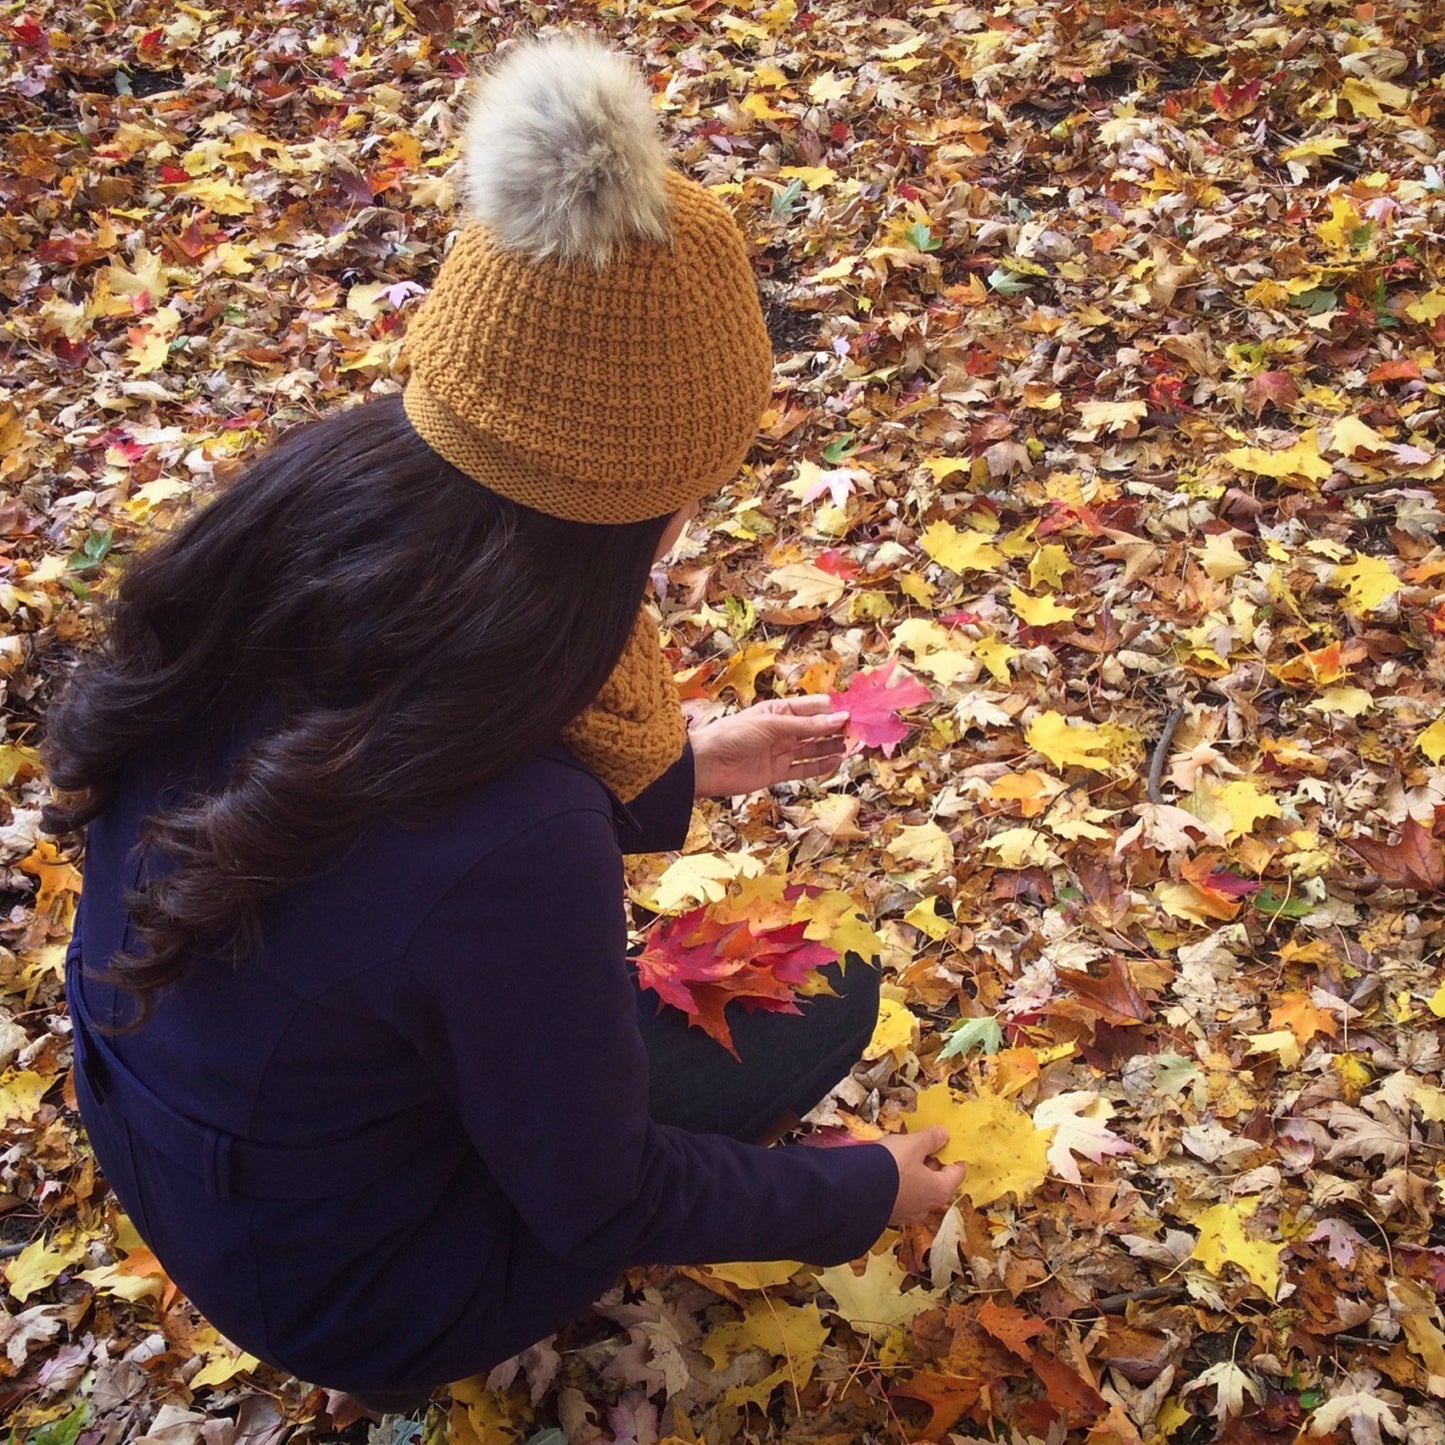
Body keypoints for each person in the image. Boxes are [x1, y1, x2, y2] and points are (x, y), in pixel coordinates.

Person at [44, 32, 965, 1410]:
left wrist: (692, 758)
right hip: (348, 1287)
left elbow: (367, 858)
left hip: (173, 1137)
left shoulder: (313, 505)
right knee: (823, 995)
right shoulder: (506, 833)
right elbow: (599, 1195)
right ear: (646, 496)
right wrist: (854, 1190)